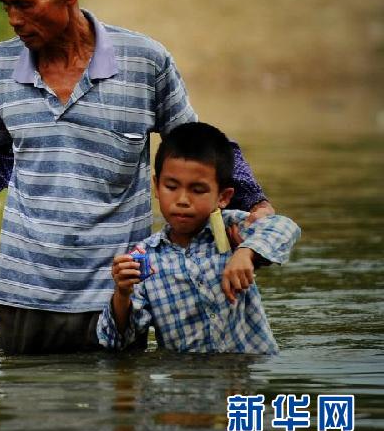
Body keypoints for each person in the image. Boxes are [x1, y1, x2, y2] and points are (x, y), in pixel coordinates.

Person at [0, 0, 273, 355]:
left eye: (25, 5)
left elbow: (198, 147)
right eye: (6, 6)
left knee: (115, 416)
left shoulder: (145, 62)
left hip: (118, 294)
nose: (14, 19)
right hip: (24, 294)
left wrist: (255, 202)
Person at [97, 122, 301, 354]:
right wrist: (122, 294)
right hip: (187, 382)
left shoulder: (229, 230)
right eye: (171, 187)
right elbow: (115, 341)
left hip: (247, 376)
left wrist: (246, 252)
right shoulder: (145, 258)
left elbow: (285, 228)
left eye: (198, 190)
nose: (182, 200)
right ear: (156, 186)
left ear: (223, 197)